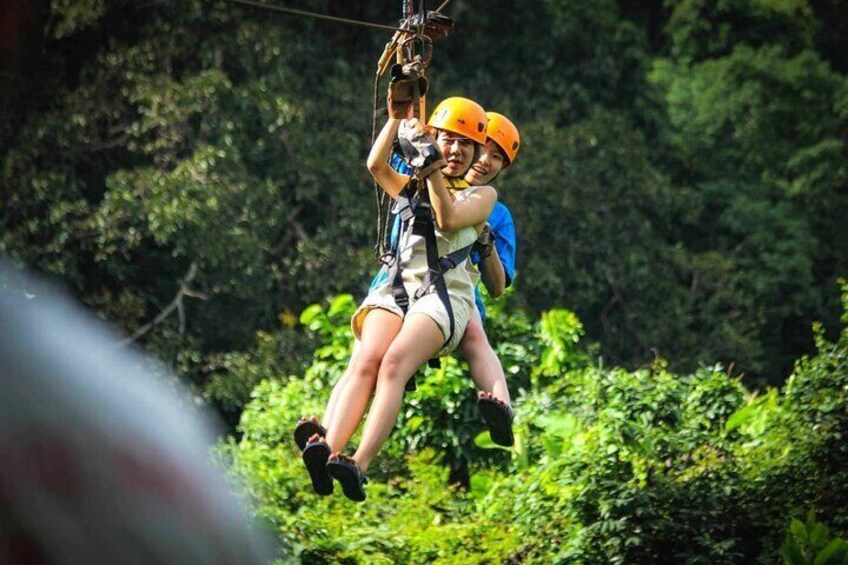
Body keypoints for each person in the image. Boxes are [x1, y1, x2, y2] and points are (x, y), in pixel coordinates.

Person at [300, 93, 496, 502]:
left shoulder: (482, 197)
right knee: (367, 356)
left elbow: (447, 217)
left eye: (465, 144)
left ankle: (360, 464)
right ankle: (327, 450)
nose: (456, 149)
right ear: (435, 139)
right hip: (399, 285)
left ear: (476, 151)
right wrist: (397, 118)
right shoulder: (413, 183)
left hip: (442, 297)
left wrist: (432, 168)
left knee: (393, 363)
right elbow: (375, 166)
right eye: (448, 140)